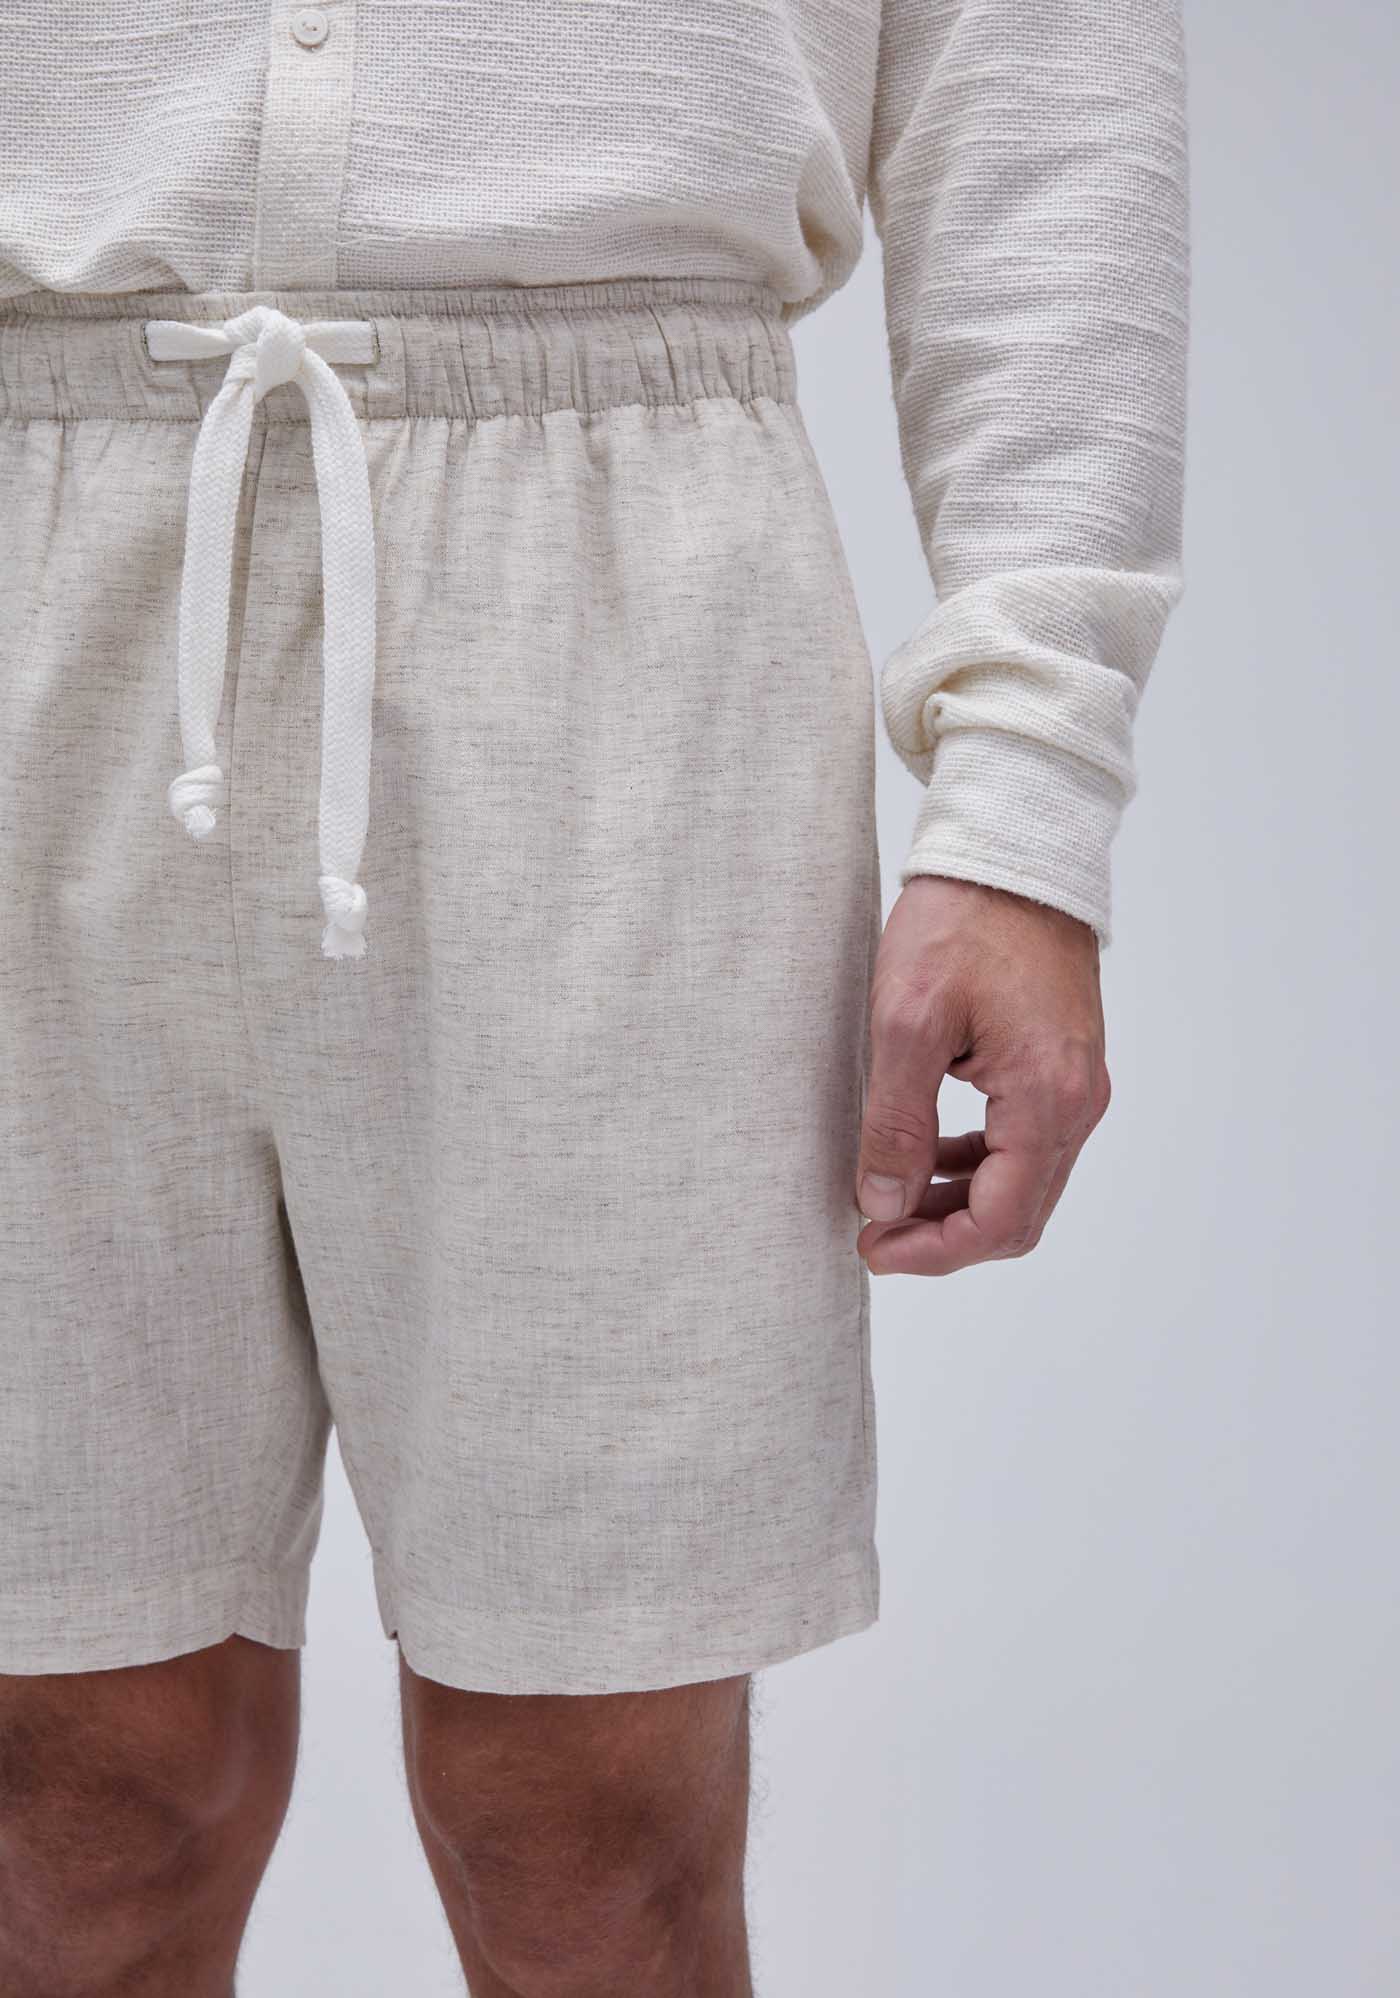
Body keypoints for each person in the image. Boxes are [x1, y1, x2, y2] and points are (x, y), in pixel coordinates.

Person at [0, 1, 1188, 1991]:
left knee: (588, 1822)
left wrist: (1026, 801)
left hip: (625, 609)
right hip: (30, 566)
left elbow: (1037, 91)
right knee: (70, 1805)